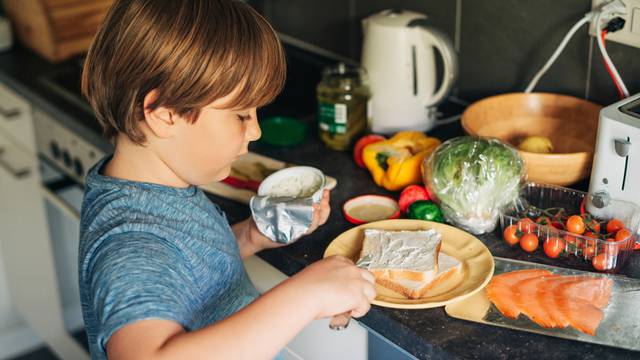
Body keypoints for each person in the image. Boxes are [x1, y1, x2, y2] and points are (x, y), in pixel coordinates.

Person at [78, 1, 376, 359]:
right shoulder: (131, 244)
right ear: (164, 113)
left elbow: (188, 274)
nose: (255, 130)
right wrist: (306, 294)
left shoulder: (156, 191)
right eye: (241, 115)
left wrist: (250, 237)